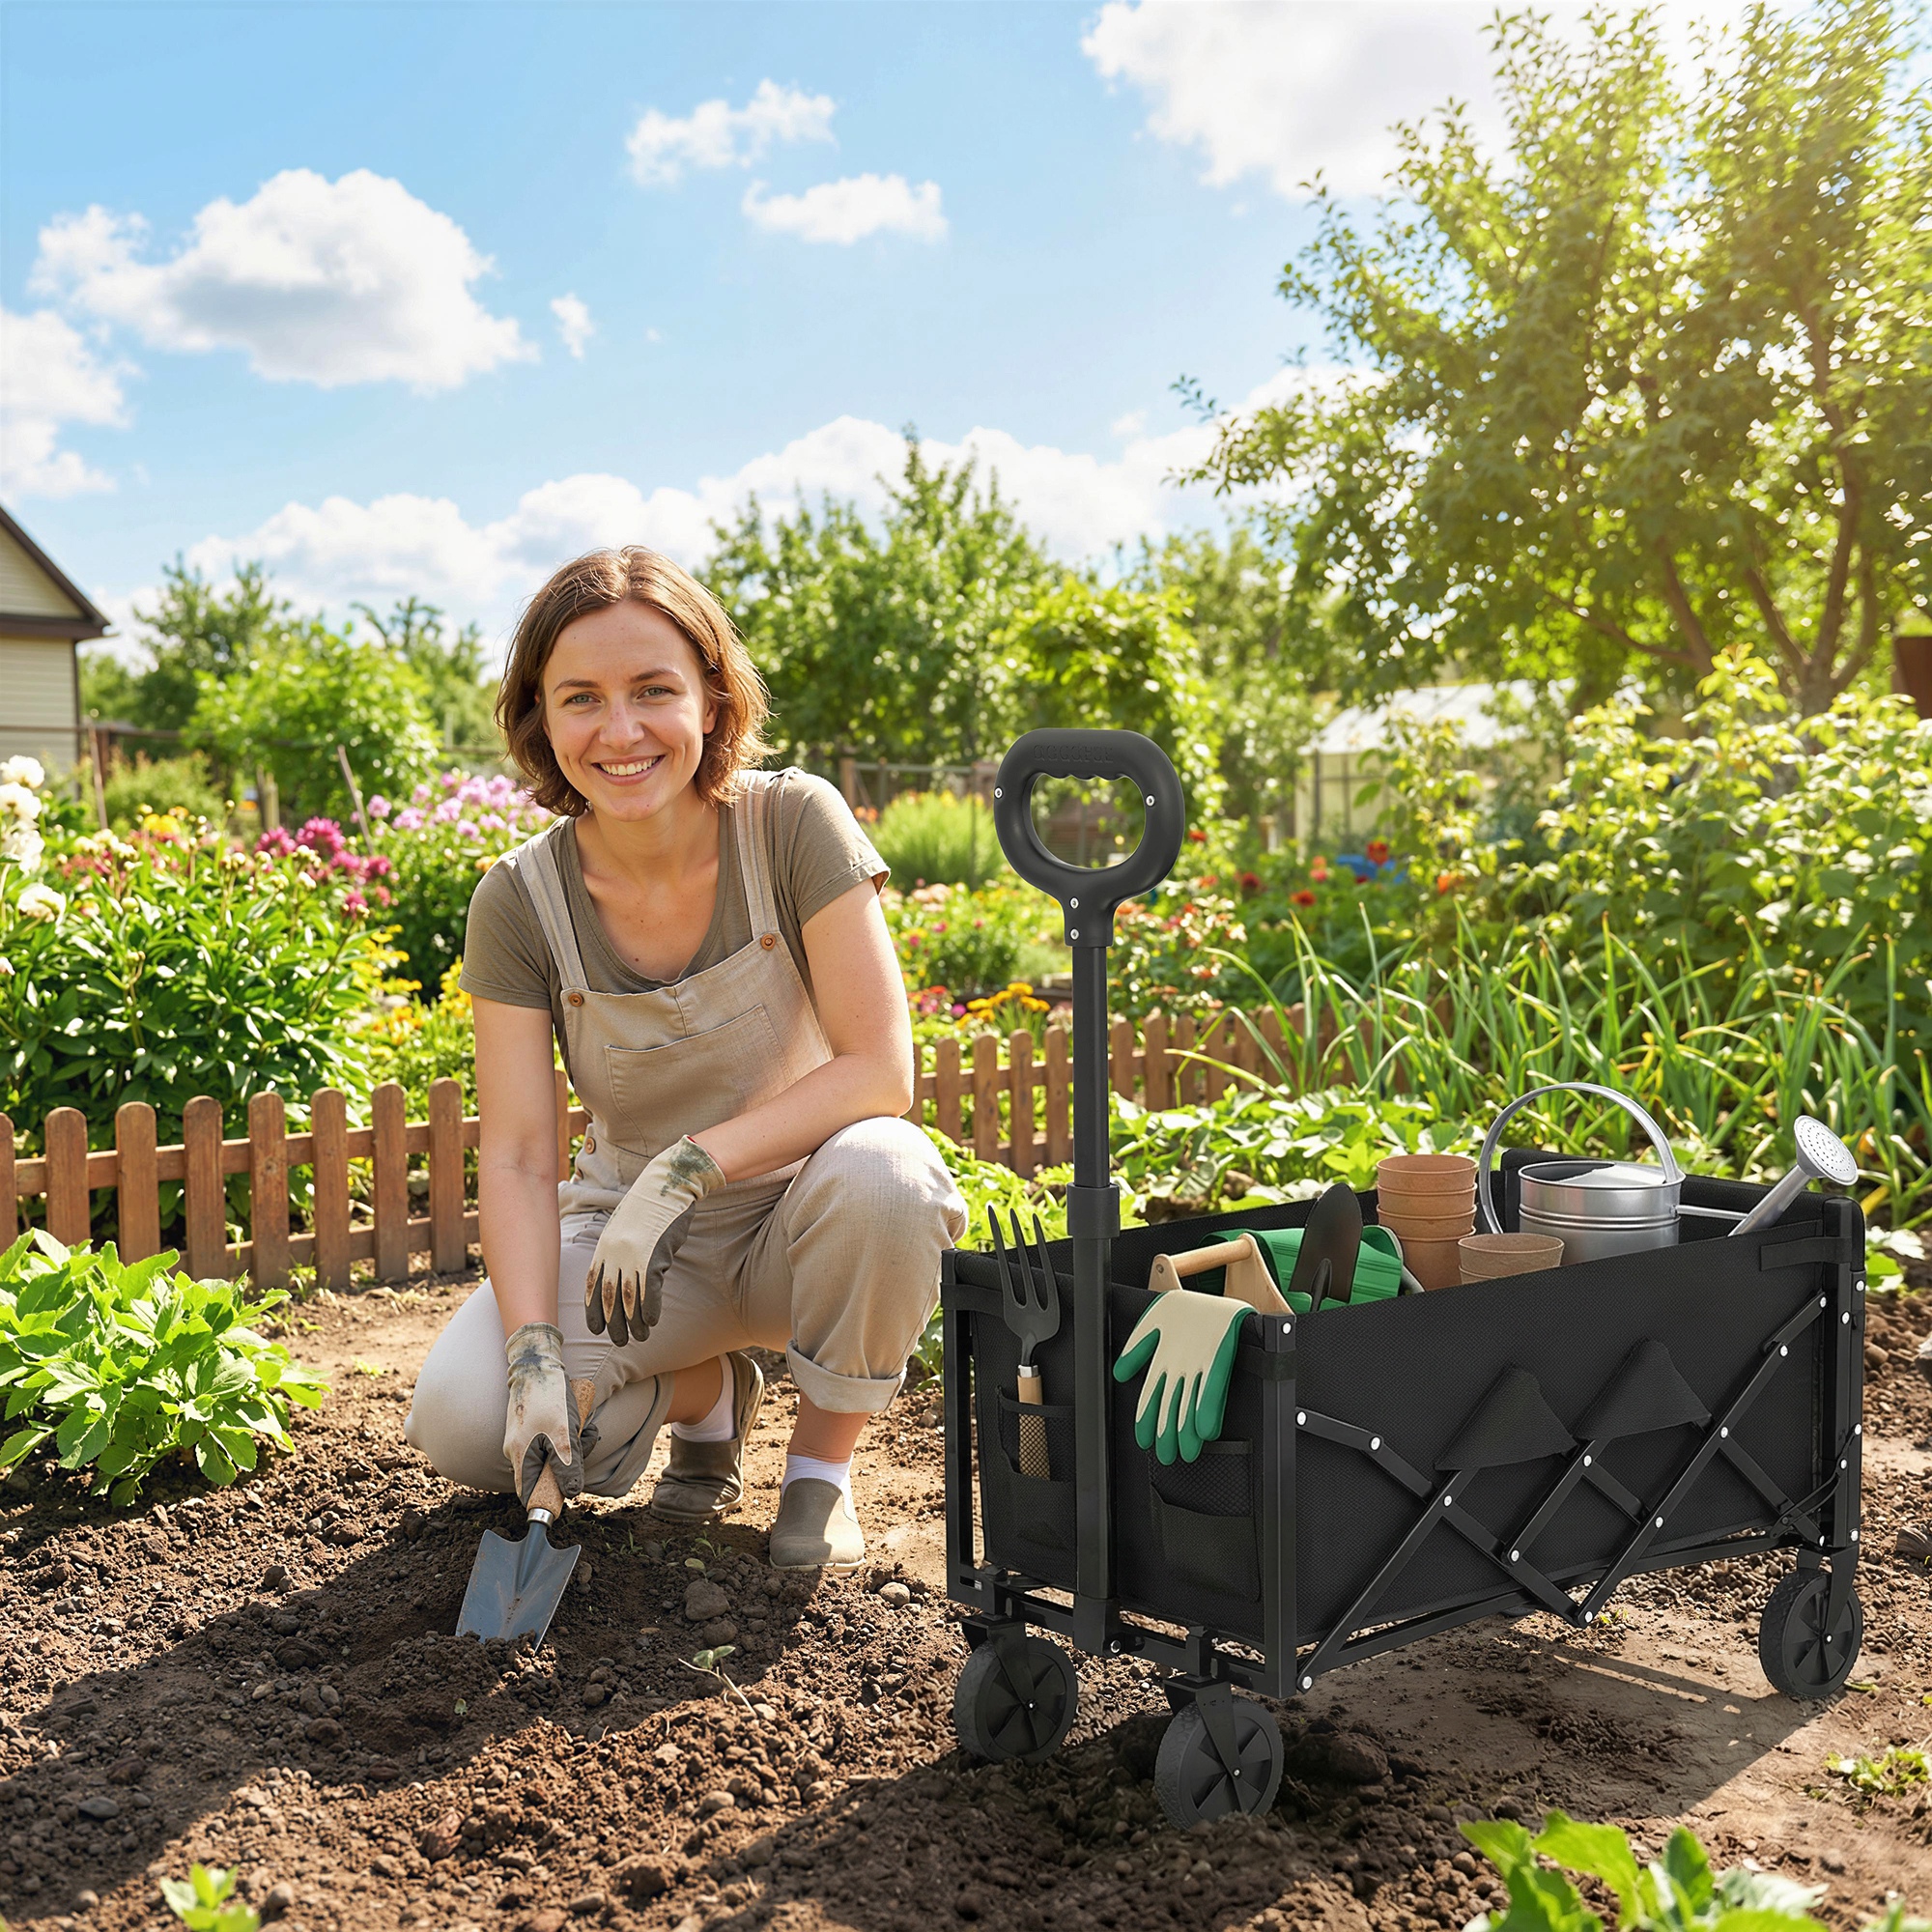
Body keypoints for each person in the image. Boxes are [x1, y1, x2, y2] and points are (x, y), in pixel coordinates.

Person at [405, 546, 966, 1568]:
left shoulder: (792, 823)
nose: (619, 731)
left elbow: (881, 1069)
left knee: (889, 1167)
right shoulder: (518, 900)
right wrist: (534, 1355)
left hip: (806, 1220)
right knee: (460, 1417)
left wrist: (685, 1164)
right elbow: (523, 1154)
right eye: (580, 697)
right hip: (635, 1257)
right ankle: (706, 1397)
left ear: (710, 699)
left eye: (653, 690)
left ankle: (817, 1476)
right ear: (539, 715)